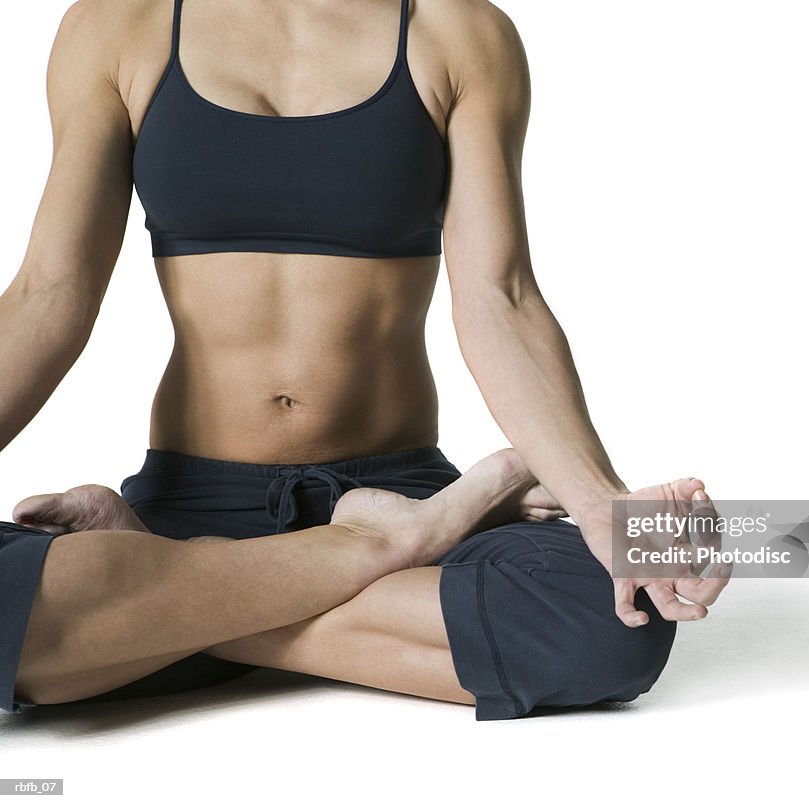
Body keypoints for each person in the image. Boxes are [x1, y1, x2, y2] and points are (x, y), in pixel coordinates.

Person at [0, 0, 730, 720]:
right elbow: (47, 295)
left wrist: (598, 502)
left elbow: (499, 296)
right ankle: (357, 553)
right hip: (197, 494)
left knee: (612, 627)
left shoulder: (458, 32)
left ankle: (157, 588)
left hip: (399, 487)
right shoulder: (117, 27)